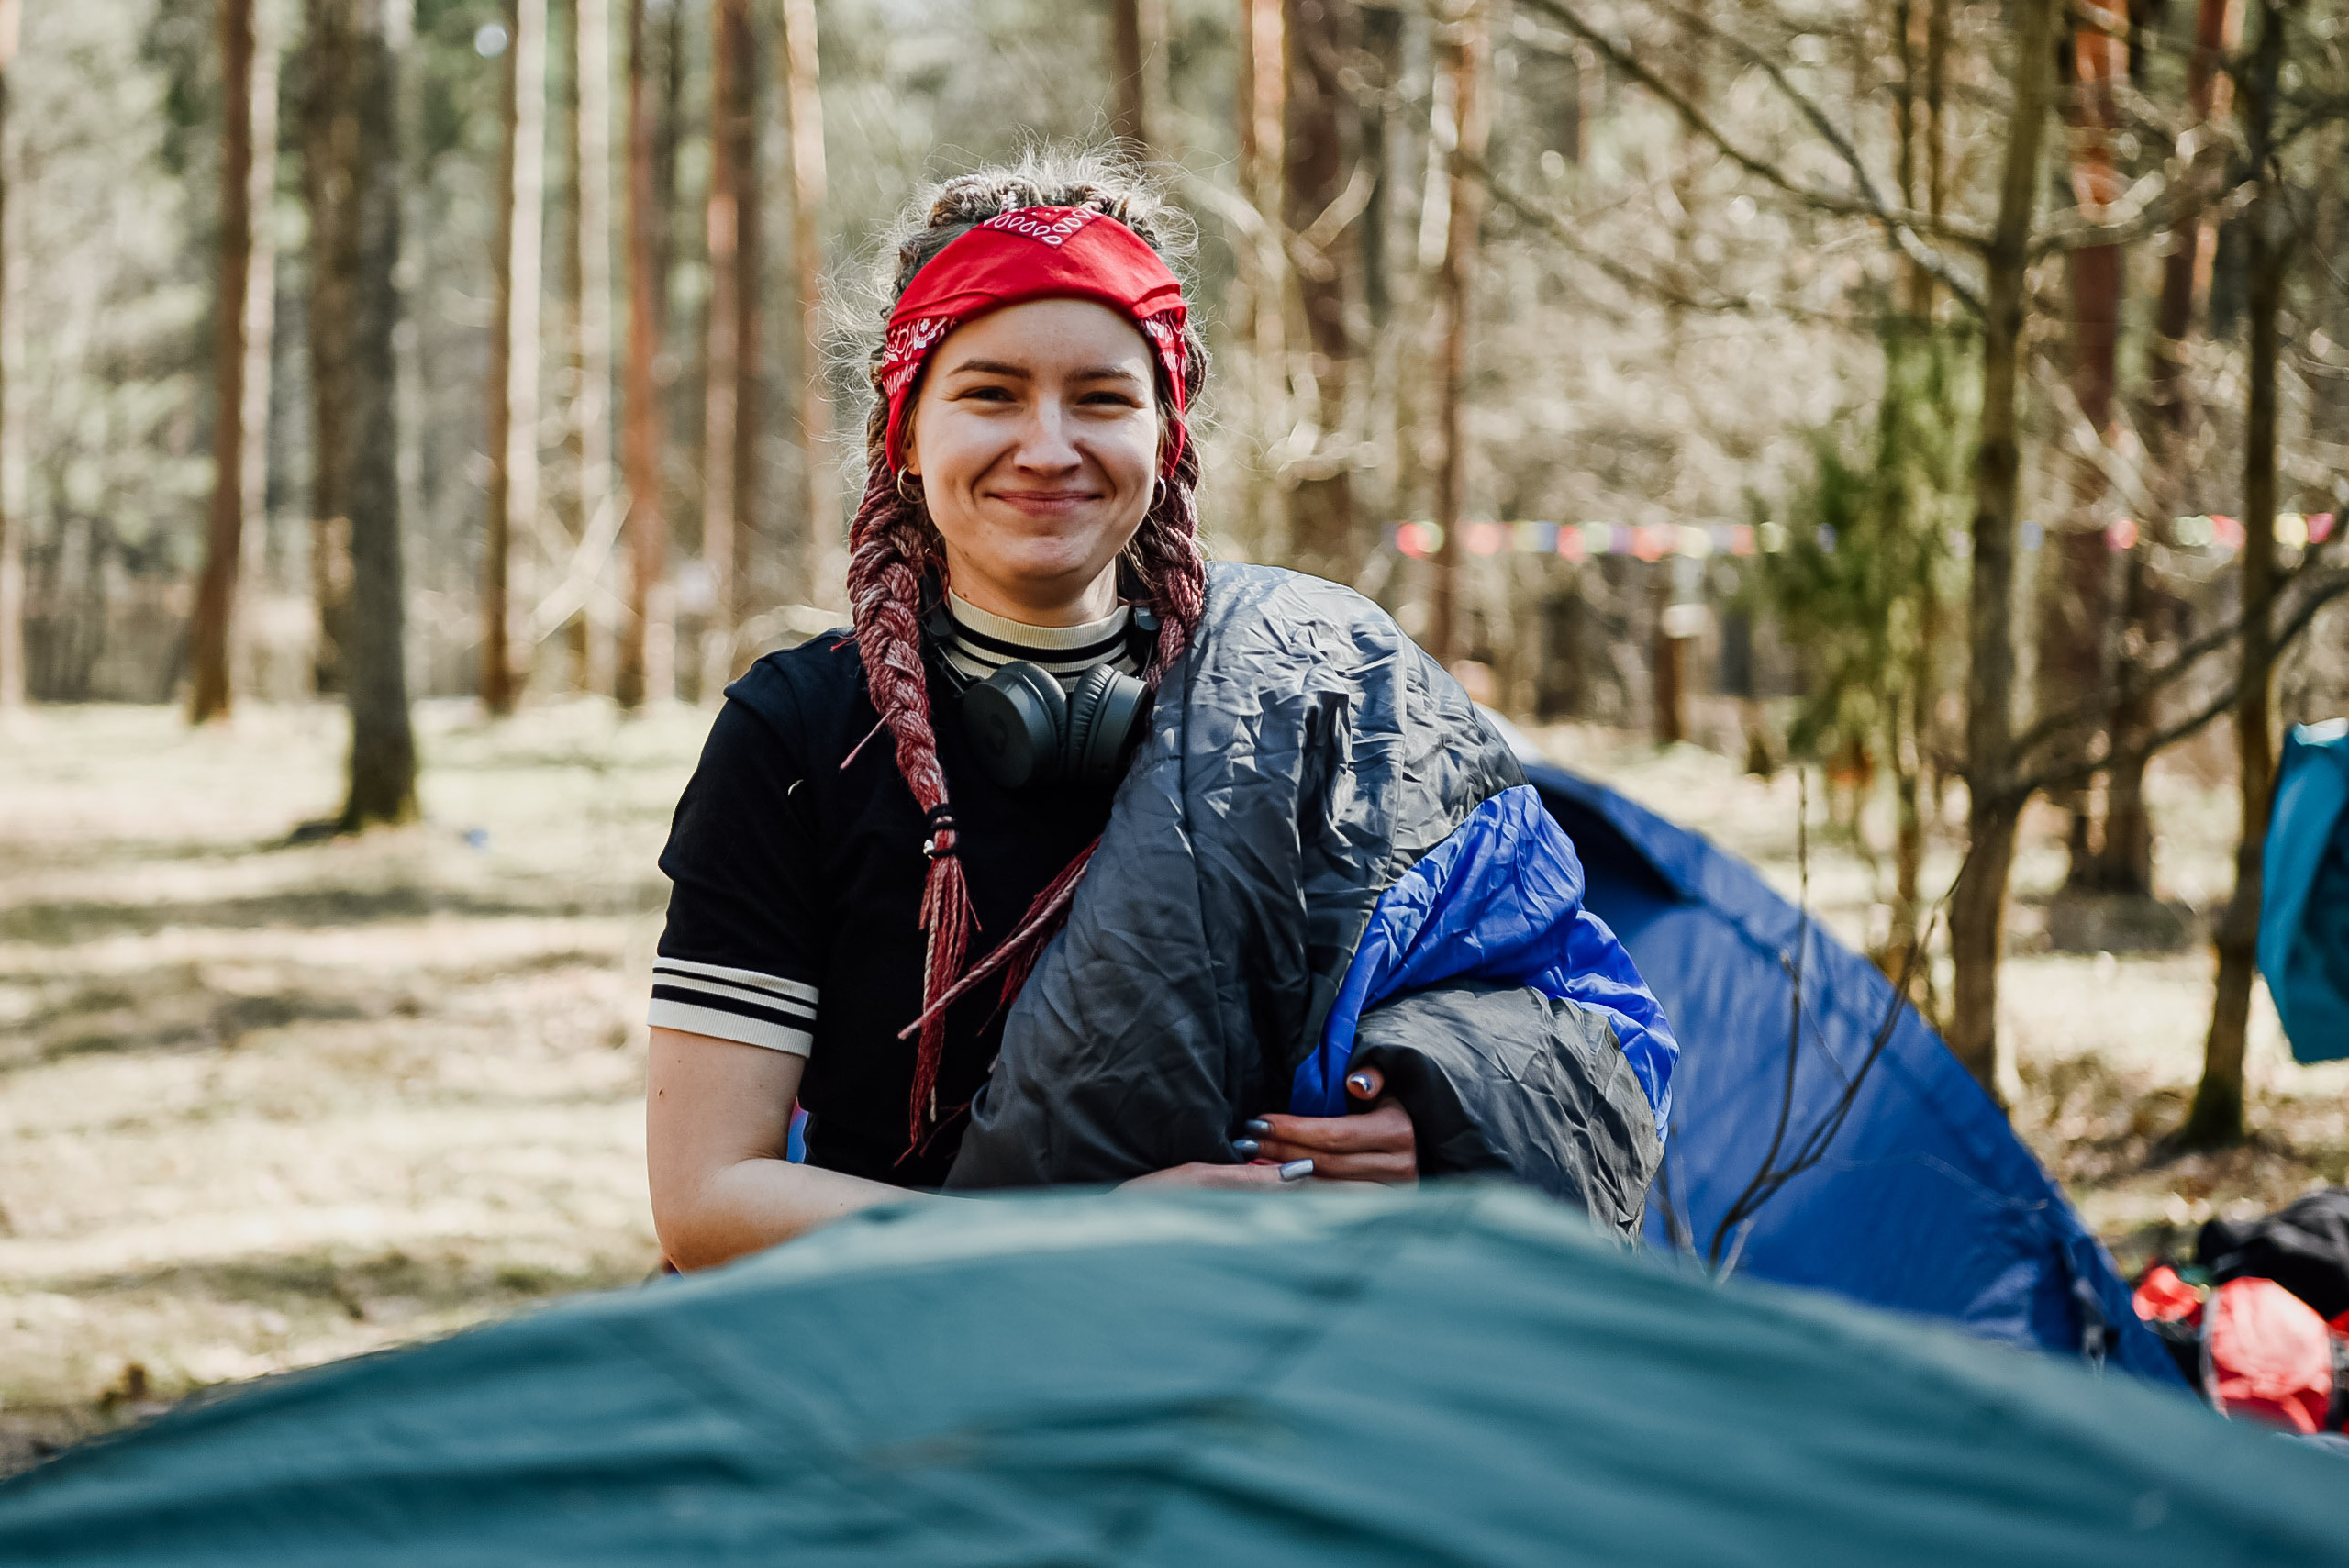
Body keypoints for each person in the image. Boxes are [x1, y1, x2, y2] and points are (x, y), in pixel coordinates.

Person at [648, 155, 1675, 1273]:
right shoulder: (798, 731)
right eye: (989, 392)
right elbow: (707, 1198)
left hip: (1261, 1357)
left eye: (1101, 398)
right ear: (903, 429)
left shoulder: (1313, 695)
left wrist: (1443, 1121)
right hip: (907, 1368)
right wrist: (1087, 1240)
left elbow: (1570, 1016)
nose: (1048, 447)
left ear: (1166, 434)